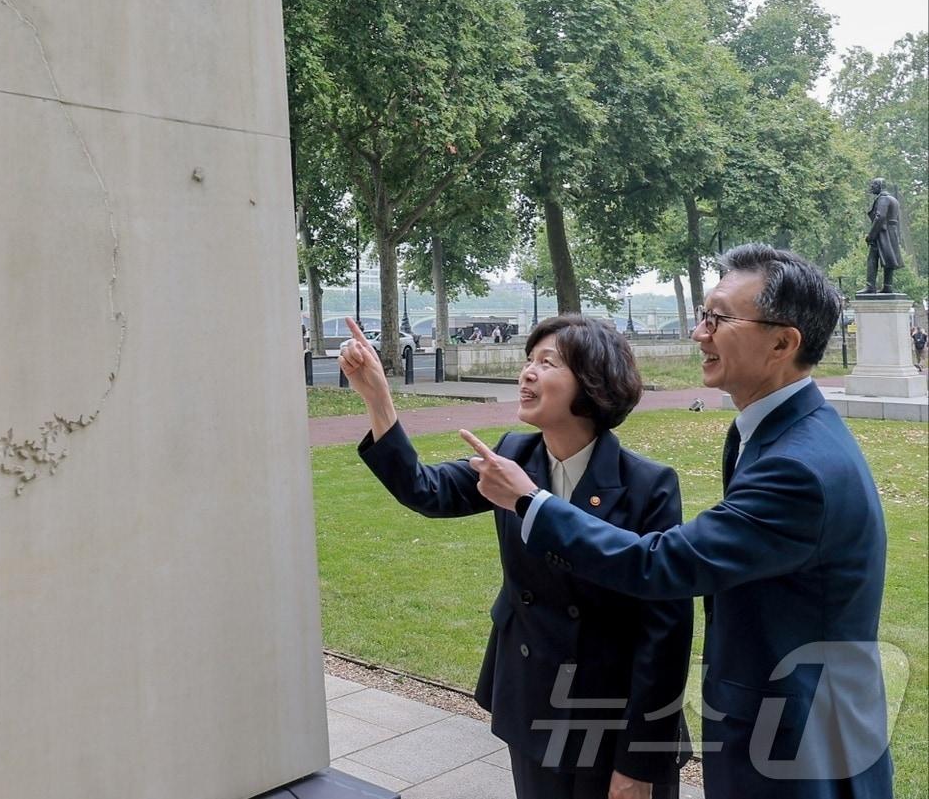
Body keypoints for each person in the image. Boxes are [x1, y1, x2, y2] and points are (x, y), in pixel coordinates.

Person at [460, 245, 893, 798]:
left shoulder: (798, 466)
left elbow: (662, 563)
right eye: (702, 316)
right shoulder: (771, 433)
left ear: (783, 343)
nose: (700, 333)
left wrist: (531, 503)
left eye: (718, 318)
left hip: (797, 746)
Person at [340, 315, 691, 798]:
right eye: (529, 359)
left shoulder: (648, 485)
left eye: (547, 363)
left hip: (612, 714)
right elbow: (426, 490)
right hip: (534, 699)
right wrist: (378, 399)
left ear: (592, 382)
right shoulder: (513, 456)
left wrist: (639, 763)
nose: (527, 372)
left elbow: (665, 629)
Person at [860, 178, 904, 294]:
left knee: (872, 258)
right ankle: (888, 286)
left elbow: (880, 217)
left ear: (879, 186)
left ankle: (870, 286)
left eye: (873, 185)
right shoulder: (893, 199)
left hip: (882, 233)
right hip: (891, 233)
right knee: (889, 258)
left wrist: (871, 235)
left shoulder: (883, 199)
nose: (871, 187)